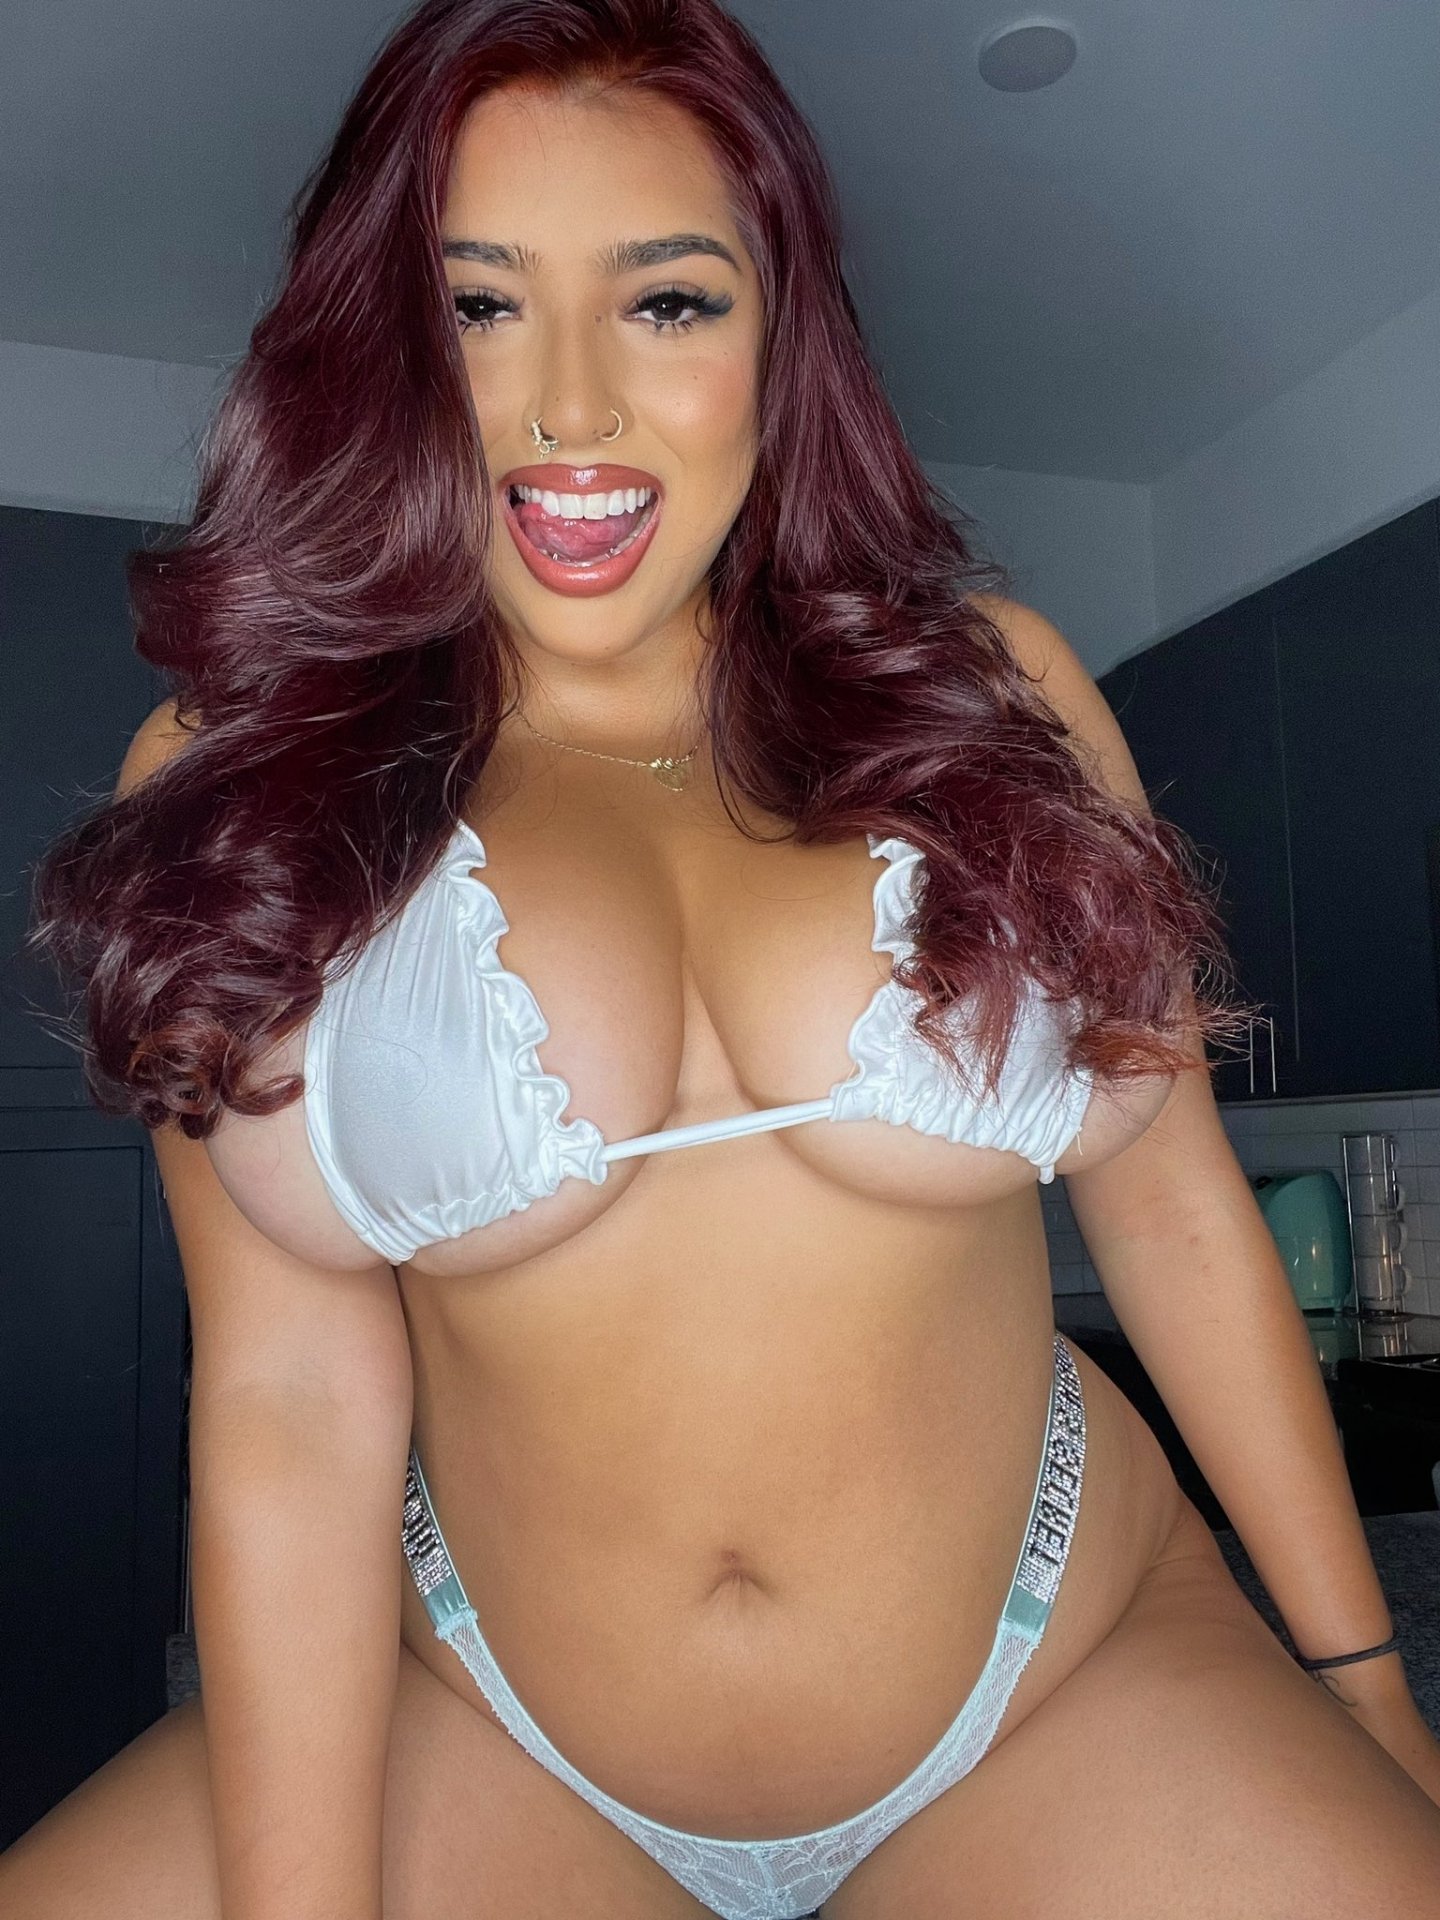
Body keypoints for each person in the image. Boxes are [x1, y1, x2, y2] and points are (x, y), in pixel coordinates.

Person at [6, 1, 1440, 1915]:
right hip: (493, 1724)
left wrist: (1366, 1685)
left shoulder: (992, 696)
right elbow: (288, 1404)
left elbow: (1176, 1216)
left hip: (1056, 1678)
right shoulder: (247, 784)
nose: (571, 407)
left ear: (782, 336)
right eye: (479, 306)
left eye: (668, 301)